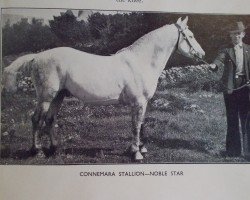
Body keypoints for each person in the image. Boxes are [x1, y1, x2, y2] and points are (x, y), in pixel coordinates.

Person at [210, 21, 250, 157]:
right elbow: (219, 59)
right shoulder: (226, 49)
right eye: (233, 34)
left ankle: (248, 152)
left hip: (246, 87)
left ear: (243, 34)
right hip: (230, 87)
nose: (235, 37)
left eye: (238, 34)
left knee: (247, 118)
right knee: (232, 118)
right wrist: (214, 65)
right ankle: (233, 151)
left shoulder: (248, 49)